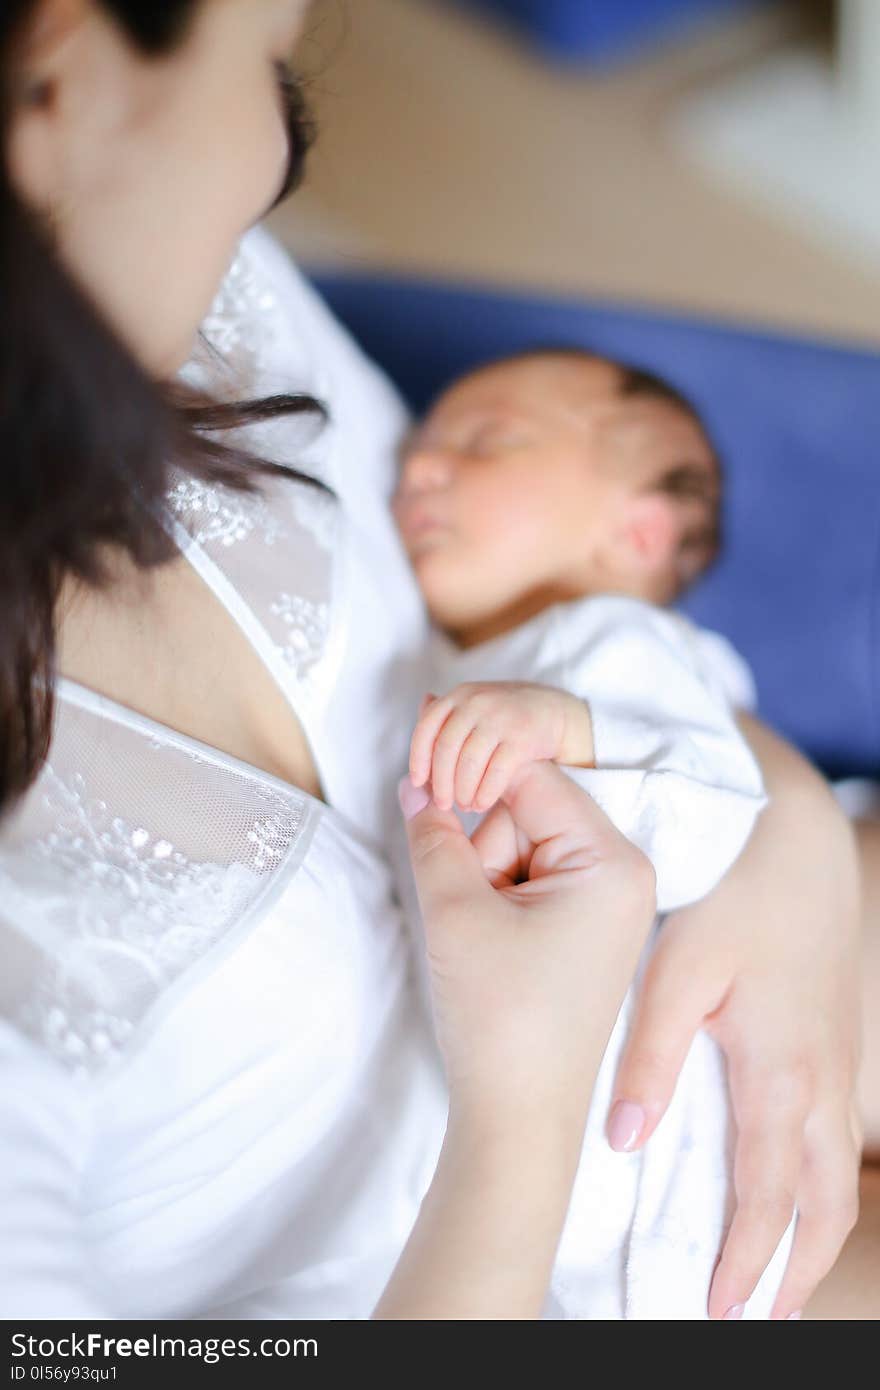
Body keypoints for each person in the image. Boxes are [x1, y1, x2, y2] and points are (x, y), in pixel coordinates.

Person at [0, 0, 863, 1320]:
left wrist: (788, 842)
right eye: (268, 70)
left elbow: (559, 620)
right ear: (59, 71)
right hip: (638, 1267)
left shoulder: (182, 287)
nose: (275, 174)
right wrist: (525, 1116)